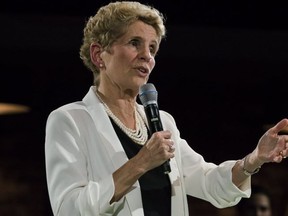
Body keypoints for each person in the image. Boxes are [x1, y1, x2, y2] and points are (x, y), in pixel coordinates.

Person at [44, 1, 288, 215]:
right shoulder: (69, 121)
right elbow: (69, 208)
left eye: (152, 48)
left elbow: (208, 182)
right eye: (134, 43)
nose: (146, 56)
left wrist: (255, 158)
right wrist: (140, 163)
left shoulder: (162, 122)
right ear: (99, 55)